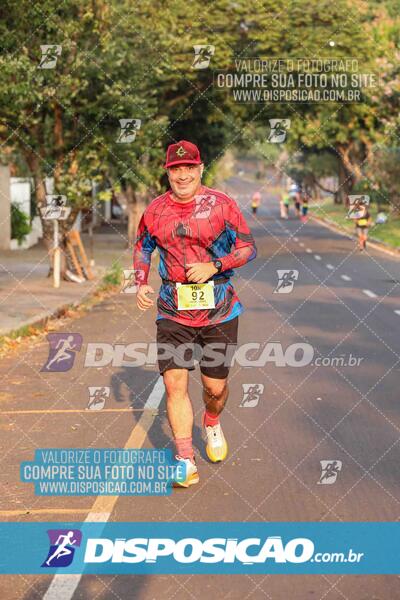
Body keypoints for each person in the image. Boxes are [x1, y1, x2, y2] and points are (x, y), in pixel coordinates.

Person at [134, 140, 257, 487]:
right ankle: (185, 459)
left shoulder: (222, 205)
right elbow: (143, 247)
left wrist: (215, 265)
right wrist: (141, 282)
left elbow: (248, 247)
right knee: (175, 383)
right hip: (172, 308)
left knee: (214, 388)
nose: (183, 174)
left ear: (201, 169)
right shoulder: (155, 211)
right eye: (176, 169)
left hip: (219, 308)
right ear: (168, 172)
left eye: (190, 167)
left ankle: (213, 420)